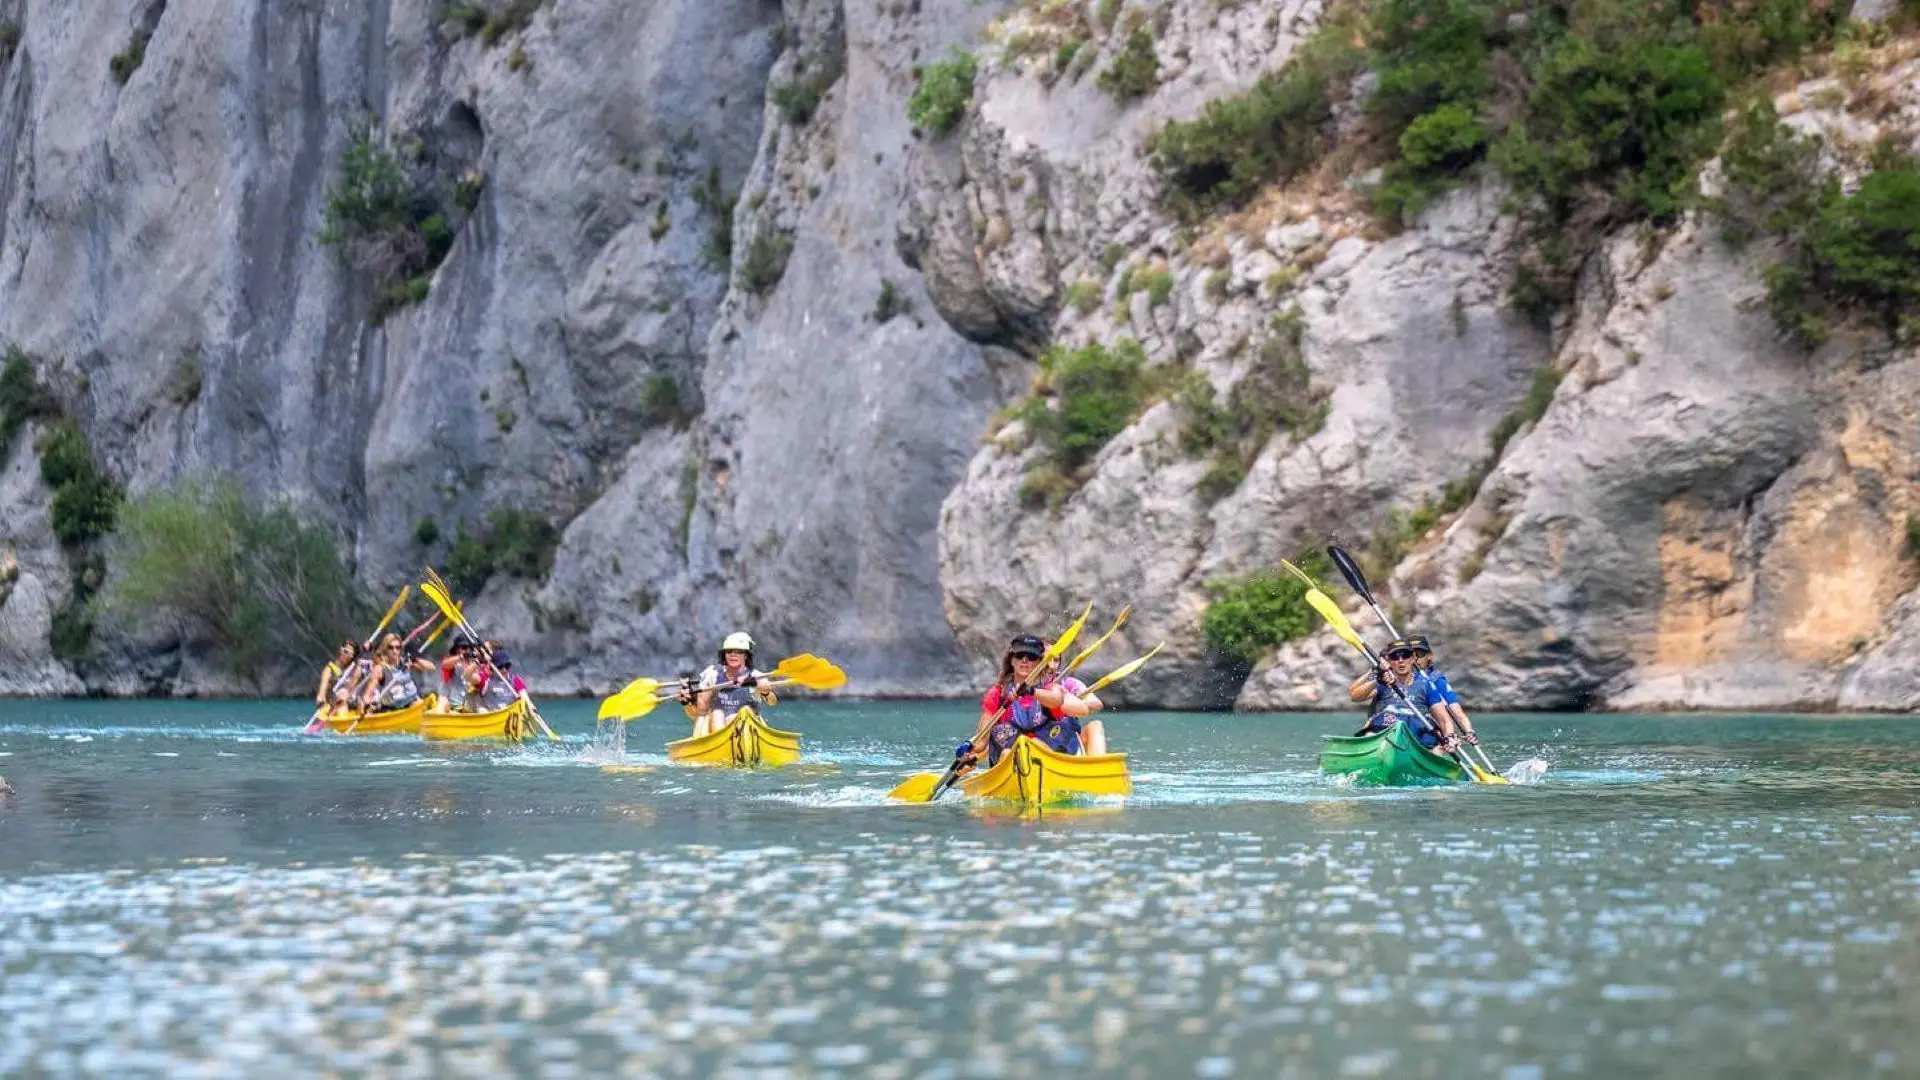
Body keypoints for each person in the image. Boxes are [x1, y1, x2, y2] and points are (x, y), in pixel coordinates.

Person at [960, 634, 1093, 769]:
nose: (1024, 660)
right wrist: (968, 752)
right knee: (1006, 748)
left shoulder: (1051, 688)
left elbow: (1079, 708)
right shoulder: (997, 694)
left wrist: (1032, 692)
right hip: (1011, 756)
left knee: (1034, 743)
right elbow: (982, 742)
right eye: (1019, 655)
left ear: (1040, 662)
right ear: (1012, 660)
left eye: (1031, 657)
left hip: (1046, 753)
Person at [1347, 638, 1456, 752]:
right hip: (1387, 730)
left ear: (1413, 658)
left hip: (1416, 734)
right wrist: (1377, 681)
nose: (1400, 660)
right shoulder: (1382, 681)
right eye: (1395, 657)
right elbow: (1354, 697)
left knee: (1437, 745)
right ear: (1389, 661)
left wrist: (1449, 737)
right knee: (1369, 733)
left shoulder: (1426, 685)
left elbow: (1444, 720)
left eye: (1405, 655)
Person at [676, 632, 777, 736]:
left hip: (749, 728)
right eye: (729, 651)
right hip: (718, 726)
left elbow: (771, 700)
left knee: (746, 711)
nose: (733, 654)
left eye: (738, 651)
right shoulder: (713, 674)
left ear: (746, 655)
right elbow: (700, 711)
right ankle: (720, 742)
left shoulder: (756, 675)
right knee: (716, 714)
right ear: (724, 655)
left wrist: (757, 685)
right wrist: (689, 702)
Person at [1409, 634, 1483, 748]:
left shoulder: (1436, 680)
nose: (1415, 659)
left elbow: (1457, 712)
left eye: (1419, 654)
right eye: (1410, 655)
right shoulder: (1394, 678)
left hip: (1428, 730)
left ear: (1429, 656)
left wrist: (1469, 731)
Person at [361, 634, 434, 712]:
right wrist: (367, 703)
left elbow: (431, 667)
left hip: (414, 702)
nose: (394, 651)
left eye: (397, 647)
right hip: (397, 708)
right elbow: (368, 693)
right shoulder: (380, 669)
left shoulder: (405, 662)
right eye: (391, 648)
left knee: (442, 700)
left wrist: (415, 659)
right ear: (385, 649)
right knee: (422, 704)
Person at [314, 641, 359, 711]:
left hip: (350, 701)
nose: (343, 654)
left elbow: (349, 690)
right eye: (343, 650)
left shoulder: (355, 668)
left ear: (352, 656)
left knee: (343, 698)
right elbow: (324, 685)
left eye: (347, 652)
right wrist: (321, 697)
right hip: (334, 702)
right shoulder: (330, 668)